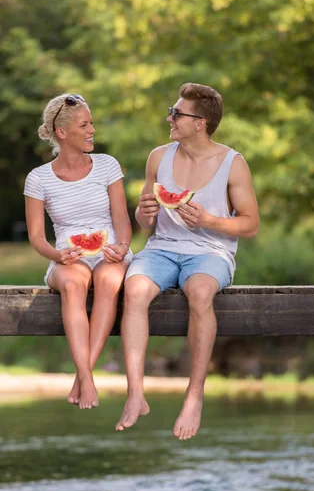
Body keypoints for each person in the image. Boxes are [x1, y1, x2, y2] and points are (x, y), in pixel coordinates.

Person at [115, 82, 259, 439]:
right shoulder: (158, 157)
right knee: (133, 291)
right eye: (171, 110)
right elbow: (146, 221)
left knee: (199, 293)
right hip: (162, 248)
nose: (170, 117)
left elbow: (251, 223)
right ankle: (135, 393)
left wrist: (210, 221)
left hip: (212, 253)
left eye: (177, 113)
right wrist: (143, 211)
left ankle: (194, 397)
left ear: (200, 123)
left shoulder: (232, 163)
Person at [24, 93, 133, 410]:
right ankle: (87, 378)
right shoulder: (38, 178)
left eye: (92, 124)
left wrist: (122, 246)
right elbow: (36, 237)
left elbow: (122, 219)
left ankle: (82, 378)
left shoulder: (107, 165)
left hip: (110, 248)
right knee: (73, 284)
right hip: (66, 255)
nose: (92, 131)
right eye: (85, 125)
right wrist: (57, 256)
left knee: (110, 282)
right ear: (62, 133)